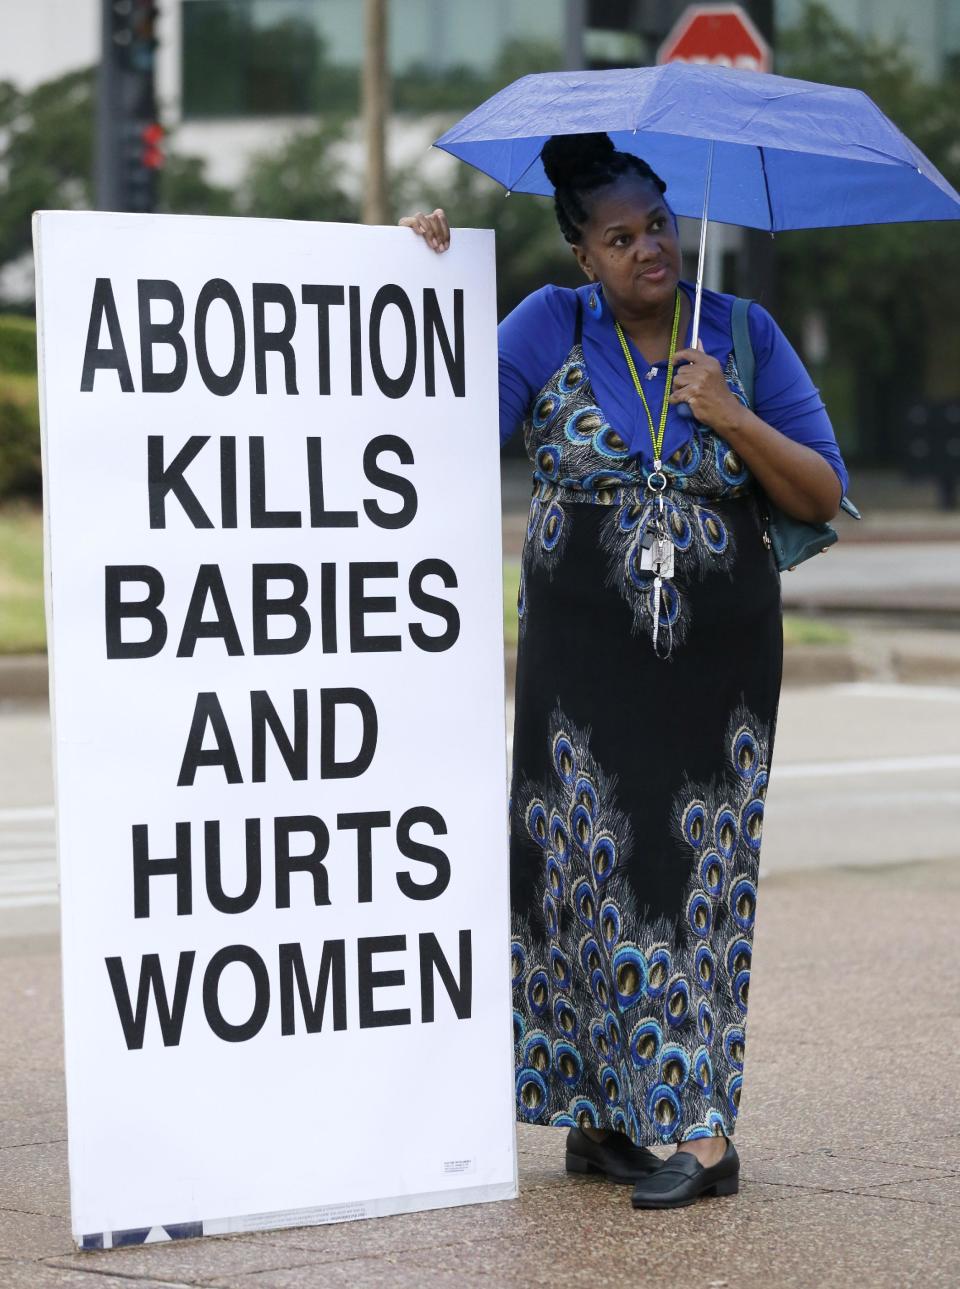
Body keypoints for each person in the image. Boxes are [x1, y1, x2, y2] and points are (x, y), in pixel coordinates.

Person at [401, 132, 847, 1209]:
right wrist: (414, 285)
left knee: (690, 877)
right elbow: (439, 421)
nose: (651, 248)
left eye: (659, 225)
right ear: (581, 253)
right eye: (621, 236)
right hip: (579, 660)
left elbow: (821, 493)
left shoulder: (741, 334)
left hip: (718, 664)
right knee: (571, 870)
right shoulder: (547, 324)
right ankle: (604, 1118)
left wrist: (730, 415)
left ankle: (700, 1134)